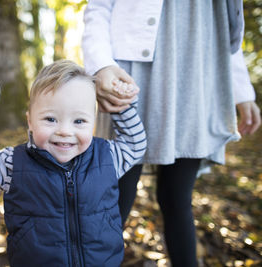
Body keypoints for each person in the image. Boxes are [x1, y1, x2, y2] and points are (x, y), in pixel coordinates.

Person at [82, 1, 261, 266]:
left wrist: (242, 90)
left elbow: (228, 26)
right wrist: (100, 65)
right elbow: (99, 7)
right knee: (114, 193)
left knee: (177, 196)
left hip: (197, 76)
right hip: (129, 74)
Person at [0, 60, 147, 266]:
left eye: (79, 121)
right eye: (50, 119)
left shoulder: (107, 157)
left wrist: (122, 107)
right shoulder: (14, 165)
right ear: (30, 121)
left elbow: (135, 144)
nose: (64, 130)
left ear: (93, 121)